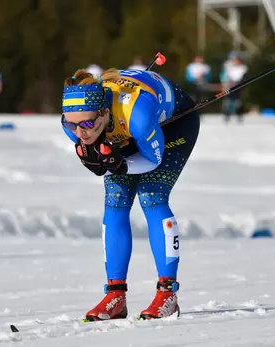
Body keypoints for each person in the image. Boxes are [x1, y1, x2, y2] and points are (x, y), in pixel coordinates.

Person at [61, 67, 200, 321]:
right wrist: (105, 162)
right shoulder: (75, 123)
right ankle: (115, 295)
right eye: (72, 124)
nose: (80, 133)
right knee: (115, 202)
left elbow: (153, 160)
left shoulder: (137, 114)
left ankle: (167, 294)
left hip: (174, 125)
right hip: (125, 133)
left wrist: (120, 165)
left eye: (88, 124)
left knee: (152, 196)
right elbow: (92, 145)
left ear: (103, 112)